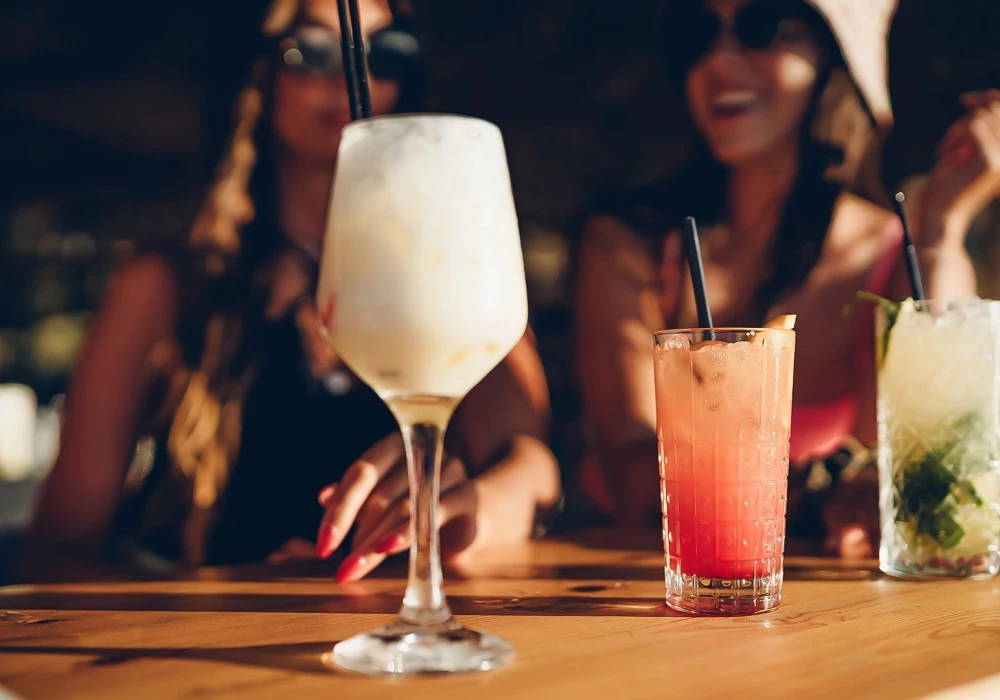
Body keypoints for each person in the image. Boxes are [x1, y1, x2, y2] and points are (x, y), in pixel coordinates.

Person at [26, 0, 560, 582]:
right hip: (214, 628)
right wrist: (217, 600)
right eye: (311, 51)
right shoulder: (165, 285)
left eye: (388, 53)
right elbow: (57, 543)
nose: (349, 74)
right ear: (256, 72)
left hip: (394, 624)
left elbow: (533, 467)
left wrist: (468, 512)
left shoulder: (451, 270)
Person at [574, 0, 1000, 556]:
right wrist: (825, 494)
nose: (718, 59)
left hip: (821, 594)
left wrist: (943, 230)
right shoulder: (628, 245)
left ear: (837, 59)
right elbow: (638, 486)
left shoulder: (892, 255)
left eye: (764, 25)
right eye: (697, 32)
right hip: (634, 578)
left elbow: (924, 474)